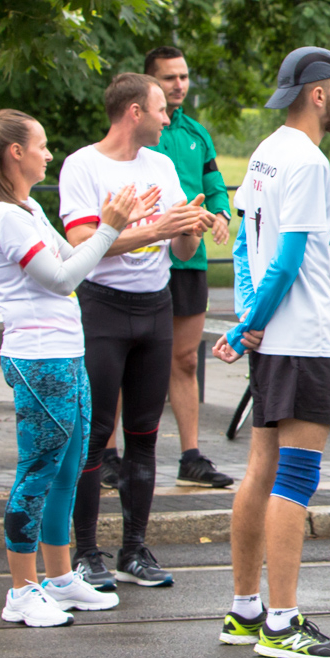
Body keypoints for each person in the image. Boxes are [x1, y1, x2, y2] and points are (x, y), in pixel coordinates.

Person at [211, 46, 330, 658]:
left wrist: (249, 318)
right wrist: (249, 325)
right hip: (302, 339)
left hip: (276, 340)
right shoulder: (309, 161)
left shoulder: (267, 151)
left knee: (260, 469)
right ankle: (282, 622)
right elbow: (291, 260)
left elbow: (245, 246)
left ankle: (245, 611)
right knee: (295, 477)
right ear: (317, 94)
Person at [61, 73, 213, 592]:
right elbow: (84, 244)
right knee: (94, 436)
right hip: (102, 310)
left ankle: (134, 548)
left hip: (155, 308)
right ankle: (85, 553)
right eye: (160, 110)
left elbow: (181, 251)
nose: (167, 118)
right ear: (133, 112)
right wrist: (155, 229)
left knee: (145, 435)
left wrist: (191, 228)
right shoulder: (83, 165)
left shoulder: (163, 165)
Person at [0, 111, 143, 625]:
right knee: (37, 470)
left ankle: (57, 579)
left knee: (70, 466)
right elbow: (61, 278)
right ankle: (21, 590)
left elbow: (75, 257)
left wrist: (112, 228)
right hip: (39, 359)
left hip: (64, 352)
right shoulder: (6, 217)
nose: (49, 154)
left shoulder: (27, 206)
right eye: (42, 145)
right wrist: (110, 229)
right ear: (16, 153)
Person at [147, 46, 236, 489]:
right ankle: (106, 456)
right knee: (132, 361)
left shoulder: (197, 134)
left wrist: (220, 214)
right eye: (169, 79)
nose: (179, 85)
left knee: (184, 360)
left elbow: (216, 188)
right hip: (144, 259)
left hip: (190, 262)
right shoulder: (143, 133)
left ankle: (190, 456)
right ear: (150, 84)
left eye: (183, 76)